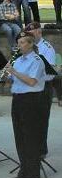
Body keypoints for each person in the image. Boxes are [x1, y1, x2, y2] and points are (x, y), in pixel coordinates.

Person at [6, 32, 46, 178]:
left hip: (31, 100)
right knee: (20, 137)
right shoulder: (17, 60)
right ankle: (24, 169)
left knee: (30, 137)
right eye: (18, 42)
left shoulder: (36, 60)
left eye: (22, 42)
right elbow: (13, 81)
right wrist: (7, 76)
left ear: (30, 44)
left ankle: (33, 173)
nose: (19, 45)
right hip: (17, 99)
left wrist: (14, 72)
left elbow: (31, 82)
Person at [23, 22, 55, 158]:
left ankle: (41, 150)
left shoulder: (47, 48)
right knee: (28, 119)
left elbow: (51, 73)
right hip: (28, 87)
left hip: (43, 87)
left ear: (39, 32)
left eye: (31, 33)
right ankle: (30, 148)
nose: (29, 35)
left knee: (41, 120)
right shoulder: (27, 47)